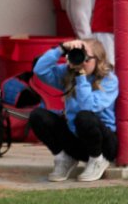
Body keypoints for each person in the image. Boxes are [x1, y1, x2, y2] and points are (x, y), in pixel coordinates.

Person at [29, 39, 118, 183]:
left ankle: (97, 161)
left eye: (85, 57)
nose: (81, 61)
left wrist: (81, 77)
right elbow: (39, 70)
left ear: (97, 60)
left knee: (84, 117)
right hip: (78, 140)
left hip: (104, 145)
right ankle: (65, 158)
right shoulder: (69, 73)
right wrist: (61, 49)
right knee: (37, 115)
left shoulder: (109, 79)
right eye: (77, 55)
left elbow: (88, 107)